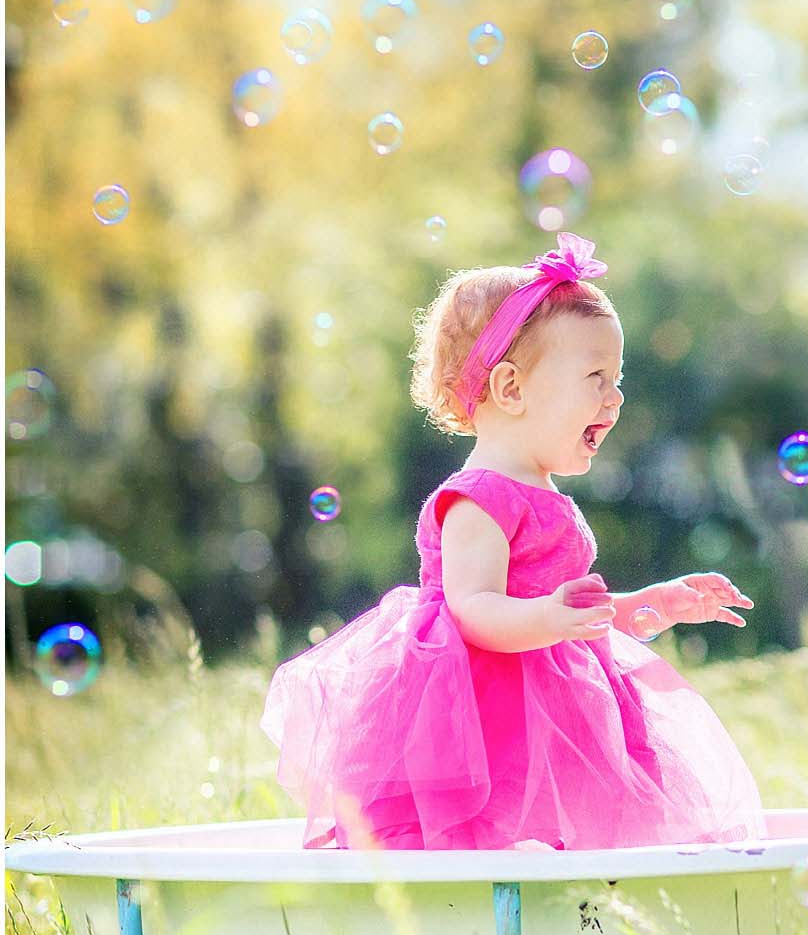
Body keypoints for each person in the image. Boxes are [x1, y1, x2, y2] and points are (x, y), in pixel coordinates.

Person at [262, 234, 766, 851]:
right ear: (511, 390)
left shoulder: (544, 494)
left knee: (570, 841)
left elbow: (581, 616)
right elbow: (472, 609)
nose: (616, 396)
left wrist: (652, 604)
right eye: (596, 377)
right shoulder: (479, 497)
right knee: (487, 837)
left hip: (558, 715)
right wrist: (550, 617)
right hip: (486, 720)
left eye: (618, 378)